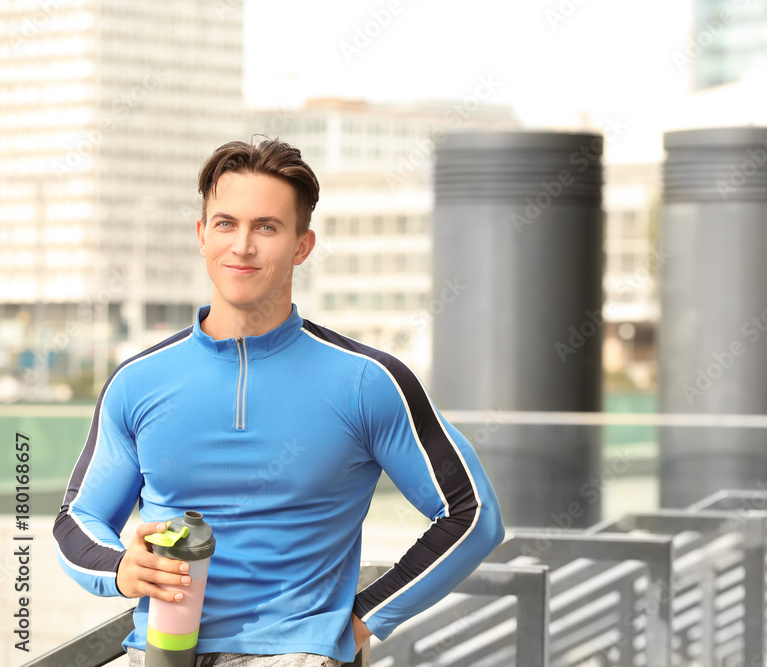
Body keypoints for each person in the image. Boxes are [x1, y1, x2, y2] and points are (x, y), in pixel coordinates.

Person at [52, 138, 505, 666]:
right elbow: (76, 519)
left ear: (302, 245)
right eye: (225, 224)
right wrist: (119, 571)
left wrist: (360, 623)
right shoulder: (136, 381)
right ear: (201, 236)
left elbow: (472, 515)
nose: (242, 246)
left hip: (296, 657)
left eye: (266, 227)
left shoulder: (367, 380)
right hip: (158, 654)